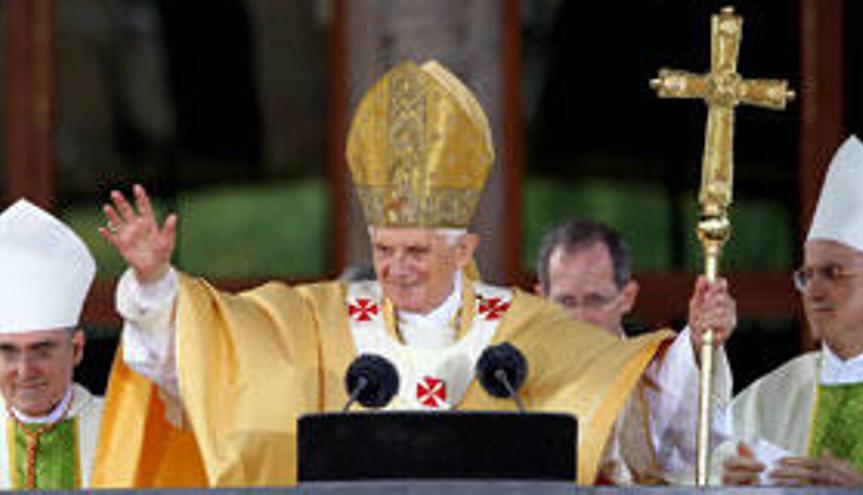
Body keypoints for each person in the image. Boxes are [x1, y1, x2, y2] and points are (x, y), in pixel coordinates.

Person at [92, 60, 710, 487]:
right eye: (384, 249)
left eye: (416, 252)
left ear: (465, 250)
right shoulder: (316, 320)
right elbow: (203, 351)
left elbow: (641, 406)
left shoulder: (528, 332)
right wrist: (154, 282)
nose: (395, 268)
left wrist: (697, 345)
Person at [719, 136, 863, 487]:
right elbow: (692, 473)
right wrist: (730, 486)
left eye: (833, 273)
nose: (815, 292)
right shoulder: (771, 395)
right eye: (806, 275)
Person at [536, 219, 736, 483]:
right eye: (566, 302)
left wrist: (700, 342)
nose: (581, 318)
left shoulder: (650, 372)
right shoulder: (514, 378)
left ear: (627, 297)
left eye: (596, 300)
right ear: (541, 299)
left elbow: (690, 436)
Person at [0, 199, 102, 489]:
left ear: (76, 349)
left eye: (41, 351)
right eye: (7, 352)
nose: (24, 370)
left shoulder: (119, 429)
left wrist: (153, 283)